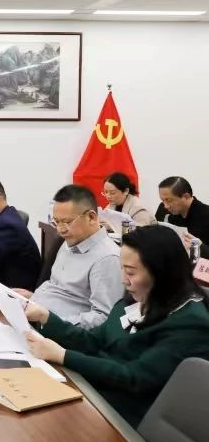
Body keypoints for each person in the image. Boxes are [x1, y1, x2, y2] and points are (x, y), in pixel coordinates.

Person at [24, 225, 209, 428]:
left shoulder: (191, 322)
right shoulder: (138, 299)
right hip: (95, 395)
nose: (123, 280)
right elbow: (95, 340)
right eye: (122, 269)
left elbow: (134, 378)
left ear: (161, 272)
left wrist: (63, 356)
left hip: (127, 416)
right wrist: (46, 318)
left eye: (130, 272)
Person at [14, 185, 123, 329]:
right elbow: (58, 288)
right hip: (33, 315)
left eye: (67, 222)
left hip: (56, 332)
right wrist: (33, 297)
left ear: (91, 217)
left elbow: (104, 318)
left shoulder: (107, 259)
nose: (60, 230)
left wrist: (48, 320)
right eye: (56, 222)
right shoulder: (70, 242)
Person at [155, 176, 209, 257]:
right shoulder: (163, 209)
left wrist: (200, 248)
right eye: (163, 200)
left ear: (186, 197)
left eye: (169, 200)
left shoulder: (206, 215)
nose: (166, 206)